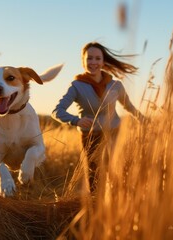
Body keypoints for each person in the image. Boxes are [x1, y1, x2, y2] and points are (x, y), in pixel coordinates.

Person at [51, 41, 145, 193]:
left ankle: (117, 206)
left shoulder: (116, 85)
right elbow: (57, 111)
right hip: (91, 137)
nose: (93, 62)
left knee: (117, 172)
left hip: (115, 133)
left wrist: (142, 119)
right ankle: (96, 209)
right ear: (83, 61)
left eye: (97, 58)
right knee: (94, 176)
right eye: (89, 58)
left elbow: (129, 106)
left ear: (103, 61)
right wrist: (77, 120)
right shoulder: (77, 86)